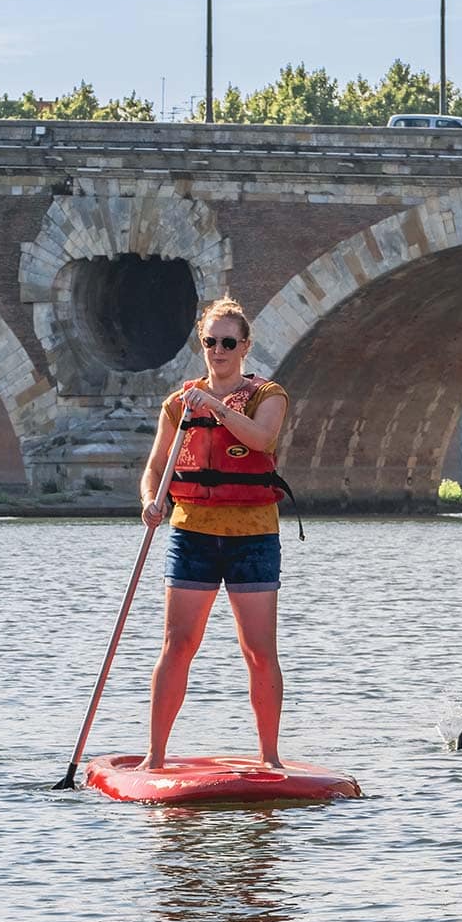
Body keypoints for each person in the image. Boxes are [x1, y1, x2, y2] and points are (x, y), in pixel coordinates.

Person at [137, 297, 289, 769]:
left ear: (244, 346)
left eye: (227, 342)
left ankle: (270, 756)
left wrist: (217, 407)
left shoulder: (269, 395)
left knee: (258, 650)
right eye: (210, 342)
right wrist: (150, 499)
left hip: (253, 536)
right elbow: (156, 467)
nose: (218, 350)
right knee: (177, 644)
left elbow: (262, 440)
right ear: (201, 344)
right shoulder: (178, 404)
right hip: (192, 535)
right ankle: (155, 756)